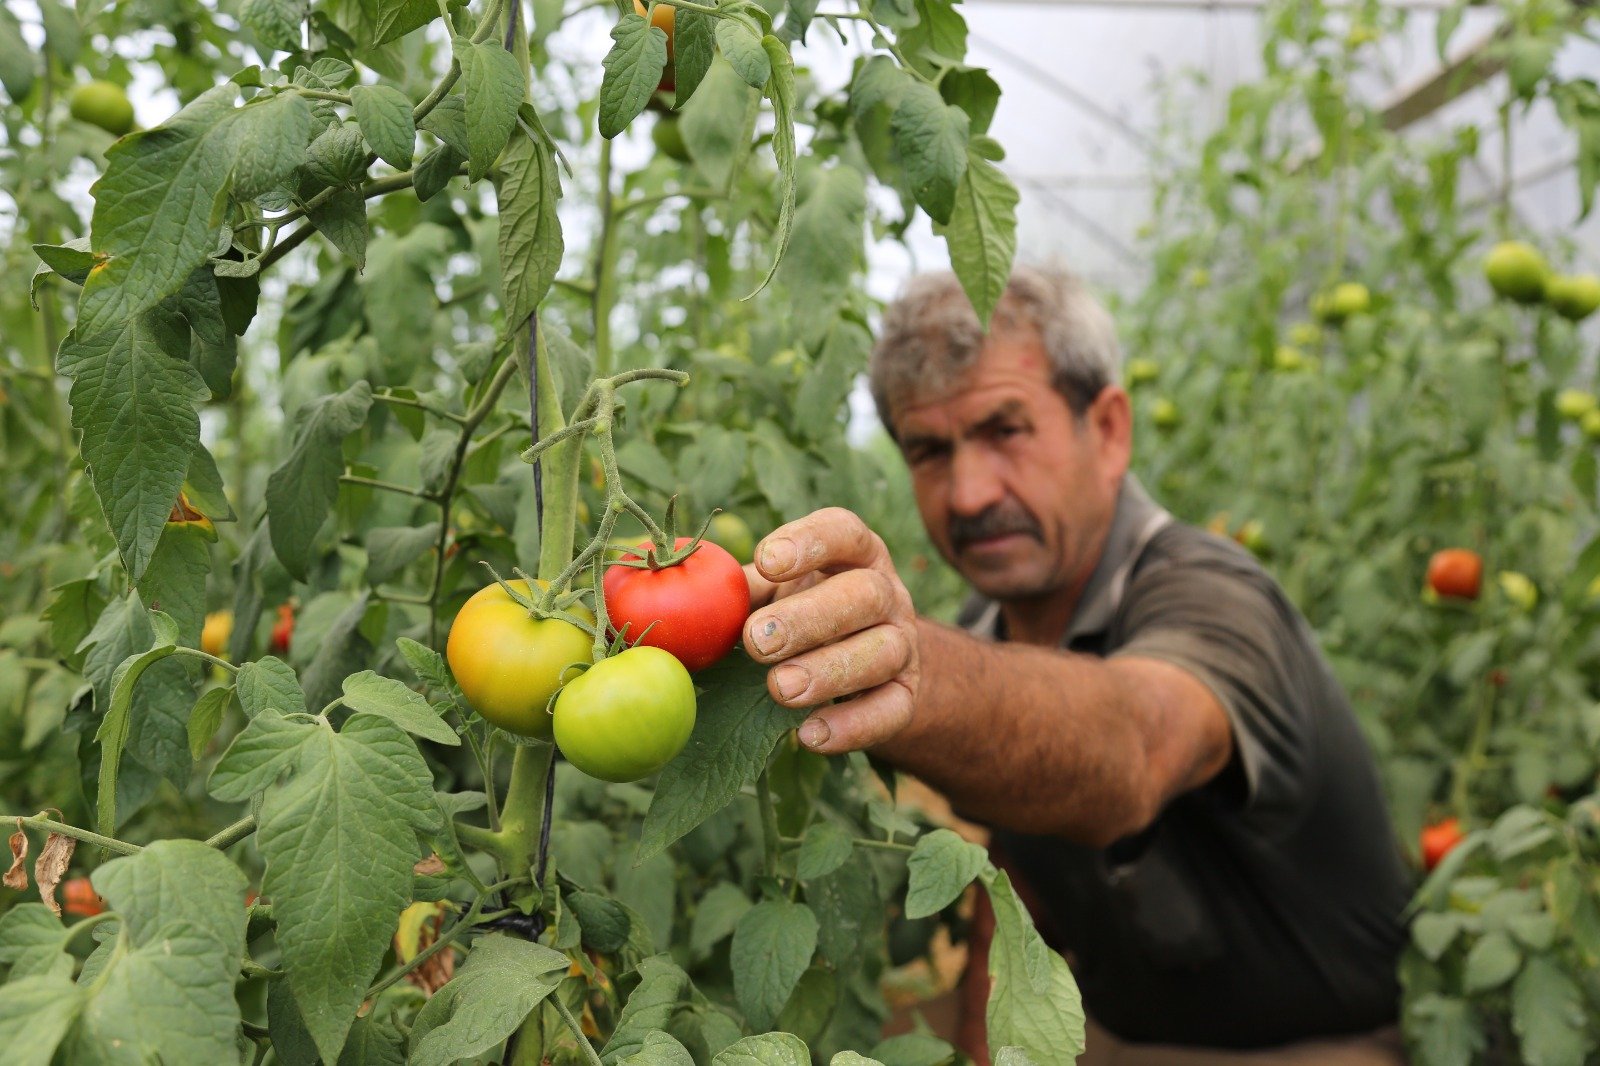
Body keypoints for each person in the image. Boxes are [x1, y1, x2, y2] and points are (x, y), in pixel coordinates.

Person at [741, 267, 1413, 1064]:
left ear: (1111, 429)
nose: (967, 494)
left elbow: (1133, 746)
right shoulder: (986, 626)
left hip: (1319, 1049)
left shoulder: (1216, 598)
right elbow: (1014, 896)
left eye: (1005, 430)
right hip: (1129, 1038)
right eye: (928, 450)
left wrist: (914, 667)